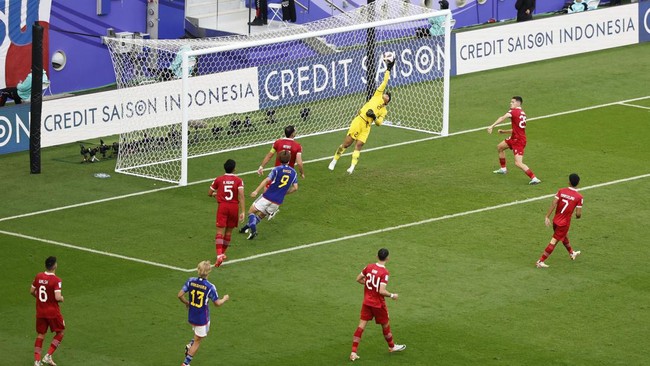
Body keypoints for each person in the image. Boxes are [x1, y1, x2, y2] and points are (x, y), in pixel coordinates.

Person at [328, 57, 395, 174]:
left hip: (367, 126)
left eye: (388, 96)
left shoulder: (384, 111)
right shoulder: (377, 95)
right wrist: (388, 69)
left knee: (359, 145)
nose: (386, 95)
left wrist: (374, 117)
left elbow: (379, 123)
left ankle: (352, 167)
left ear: (387, 101)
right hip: (359, 120)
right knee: (347, 144)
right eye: (386, 94)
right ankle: (334, 160)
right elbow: (385, 82)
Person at [349, 248, 405, 362]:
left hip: (366, 302)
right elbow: (381, 291)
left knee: (361, 326)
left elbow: (358, 279)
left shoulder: (368, 267)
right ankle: (392, 346)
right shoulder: (385, 273)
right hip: (378, 304)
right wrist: (392, 295)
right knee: (385, 325)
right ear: (388, 258)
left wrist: (368, 285)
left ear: (376, 256)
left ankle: (353, 352)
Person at [178, 260, 230, 366]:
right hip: (202, 318)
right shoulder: (210, 287)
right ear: (209, 272)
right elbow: (217, 303)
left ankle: (190, 345)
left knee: (198, 335)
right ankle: (186, 363)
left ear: (198, 270)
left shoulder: (190, 281)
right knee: (198, 341)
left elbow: (180, 295)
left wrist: (187, 303)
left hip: (192, 315)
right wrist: (224, 299)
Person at [239, 150, 298, 240]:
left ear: (279, 159)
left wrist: (256, 191)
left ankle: (253, 230)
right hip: (278, 201)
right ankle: (245, 228)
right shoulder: (294, 172)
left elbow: (267, 180)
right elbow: (295, 188)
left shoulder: (277, 169)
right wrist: (284, 192)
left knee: (251, 212)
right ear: (289, 160)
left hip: (267, 196)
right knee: (261, 215)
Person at [487, 96, 541, 185]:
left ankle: (534, 178)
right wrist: (504, 131)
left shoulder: (514, 112)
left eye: (512, 102)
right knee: (500, 147)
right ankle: (503, 169)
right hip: (514, 138)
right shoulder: (522, 113)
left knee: (518, 163)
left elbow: (502, 118)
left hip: (518, 141)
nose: (510, 103)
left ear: (518, 103)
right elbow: (516, 130)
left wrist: (492, 126)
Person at [536, 173, 583, 268]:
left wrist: (547, 216)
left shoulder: (561, 191)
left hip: (556, 221)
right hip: (564, 224)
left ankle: (571, 253)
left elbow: (554, 203)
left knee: (564, 236)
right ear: (578, 183)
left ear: (569, 182)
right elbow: (578, 214)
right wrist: (577, 217)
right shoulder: (579, 197)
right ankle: (540, 261)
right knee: (554, 241)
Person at [208, 159, 245, 267]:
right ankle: (222, 254)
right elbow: (241, 196)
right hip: (234, 207)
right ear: (234, 169)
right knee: (228, 232)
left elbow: (209, 193)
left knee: (220, 231)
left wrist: (217, 194)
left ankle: (219, 255)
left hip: (223, 206)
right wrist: (243, 211)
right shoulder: (239, 180)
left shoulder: (219, 179)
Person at [30, 256, 65, 366]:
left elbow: (32, 291)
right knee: (60, 332)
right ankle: (48, 356)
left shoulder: (38, 276)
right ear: (54, 265)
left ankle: (37, 361)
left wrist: (41, 299)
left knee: (41, 334)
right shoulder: (56, 280)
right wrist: (62, 298)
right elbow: (57, 297)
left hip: (40, 311)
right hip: (53, 312)